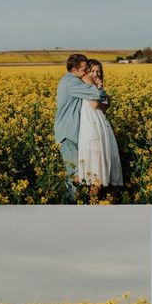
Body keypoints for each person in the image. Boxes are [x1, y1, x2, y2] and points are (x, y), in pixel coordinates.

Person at [54, 54, 109, 202]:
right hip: (68, 134)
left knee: (79, 175)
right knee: (76, 176)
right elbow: (95, 94)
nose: (86, 73)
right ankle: (68, 204)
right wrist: (99, 87)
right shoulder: (71, 81)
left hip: (75, 134)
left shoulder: (74, 80)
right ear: (74, 70)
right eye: (84, 70)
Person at [77, 59, 123, 192]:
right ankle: (93, 200)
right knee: (94, 167)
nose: (96, 74)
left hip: (101, 125)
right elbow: (95, 105)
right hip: (91, 127)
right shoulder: (86, 87)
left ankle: (104, 198)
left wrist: (101, 91)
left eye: (98, 71)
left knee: (103, 163)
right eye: (92, 71)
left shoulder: (95, 88)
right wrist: (98, 90)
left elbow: (103, 108)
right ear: (86, 72)